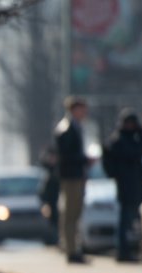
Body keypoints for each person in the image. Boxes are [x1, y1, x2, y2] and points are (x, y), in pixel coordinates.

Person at [103, 109, 142, 262]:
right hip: (126, 186)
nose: (132, 127)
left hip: (137, 185)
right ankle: (123, 251)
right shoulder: (119, 140)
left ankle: (141, 250)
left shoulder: (133, 138)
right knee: (125, 220)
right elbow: (135, 152)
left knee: (138, 221)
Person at [54, 96, 90, 264]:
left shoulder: (74, 127)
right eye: (81, 109)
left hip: (76, 175)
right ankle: (70, 249)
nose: (84, 112)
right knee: (70, 214)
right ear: (74, 110)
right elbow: (66, 155)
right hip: (71, 177)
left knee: (75, 214)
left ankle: (74, 247)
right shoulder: (67, 129)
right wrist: (84, 160)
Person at [38, 144, 60, 245]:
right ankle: (53, 240)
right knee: (51, 221)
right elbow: (42, 162)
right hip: (49, 200)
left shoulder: (58, 169)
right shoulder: (49, 169)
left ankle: (58, 240)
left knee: (57, 221)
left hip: (57, 199)